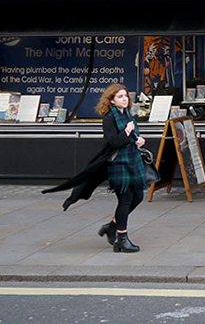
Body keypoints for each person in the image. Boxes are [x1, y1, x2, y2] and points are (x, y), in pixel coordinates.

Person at [41, 83, 148, 253]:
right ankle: (121, 239)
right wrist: (128, 132)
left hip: (133, 161)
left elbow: (130, 138)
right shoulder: (109, 119)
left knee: (138, 197)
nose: (125, 99)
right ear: (111, 101)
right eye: (120, 96)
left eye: (126, 96)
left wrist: (137, 140)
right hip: (119, 164)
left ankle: (111, 227)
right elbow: (114, 142)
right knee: (125, 199)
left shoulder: (128, 115)